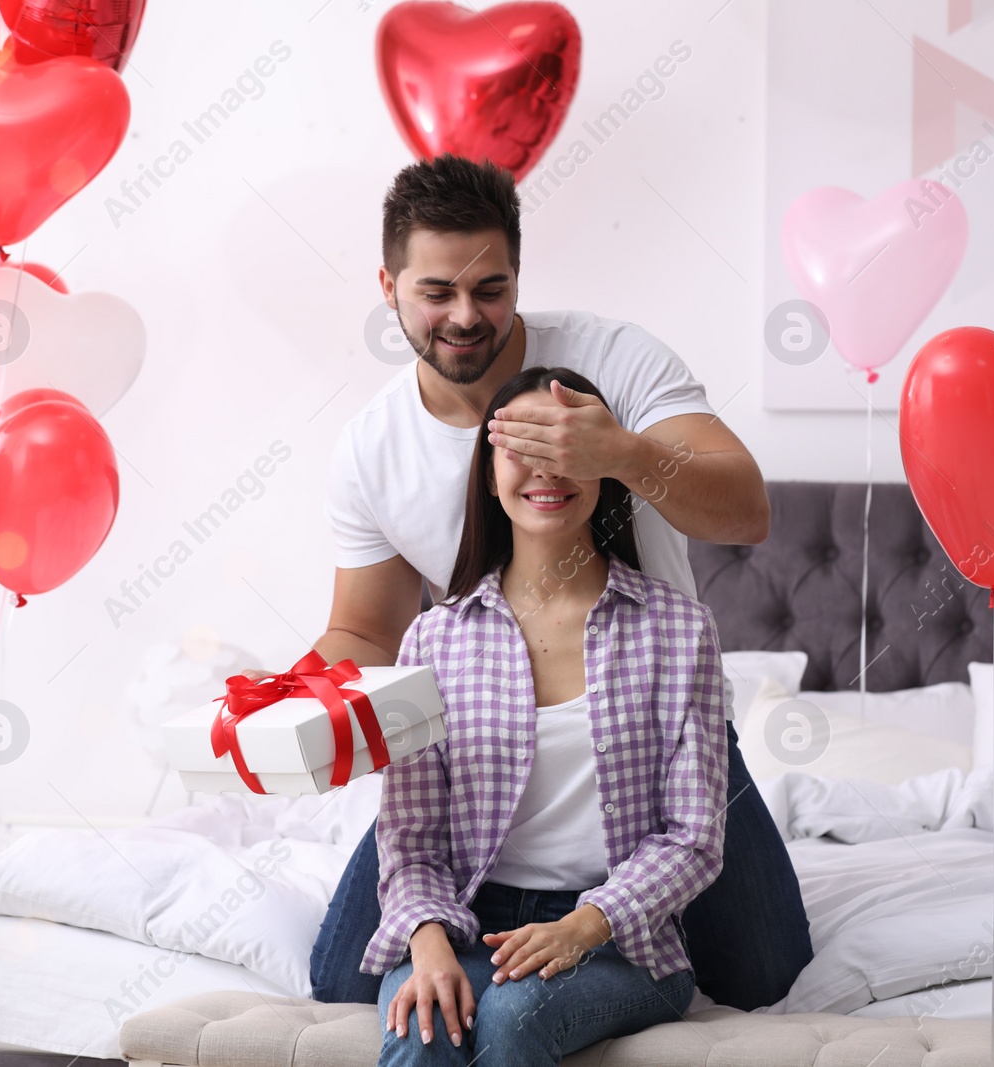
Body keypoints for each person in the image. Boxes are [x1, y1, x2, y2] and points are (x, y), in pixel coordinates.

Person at [298, 152, 813, 1011]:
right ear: (388, 286)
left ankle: (626, 921)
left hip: (655, 726)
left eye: (491, 289)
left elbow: (746, 509)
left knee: (759, 972)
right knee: (339, 974)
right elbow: (366, 630)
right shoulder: (370, 448)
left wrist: (618, 449)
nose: (466, 316)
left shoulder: (616, 357)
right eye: (436, 293)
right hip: (484, 740)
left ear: (517, 275)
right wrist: (286, 707)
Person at [368, 366, 727, 1066]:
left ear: (604, 466)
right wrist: (428, 939)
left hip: (620, 939)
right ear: (487, 471)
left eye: (568, 448)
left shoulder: (680, 629)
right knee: (422, 1034)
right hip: (467, 923)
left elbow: (695, 838)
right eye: (523, 447)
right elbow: (409, 837)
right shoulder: (431, 640)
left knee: (514, 1016)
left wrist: (586, 924)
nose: (546, 470)